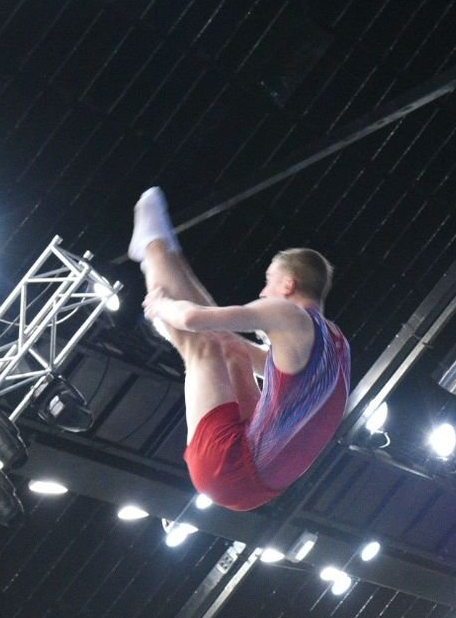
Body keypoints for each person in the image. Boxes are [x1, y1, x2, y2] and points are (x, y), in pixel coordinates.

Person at [127, 187, 350, 511]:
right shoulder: (337, 343)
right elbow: (256, 360)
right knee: (228, 346)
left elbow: (191, 317)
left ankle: (153, 248)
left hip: (230, 470)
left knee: (203, 348)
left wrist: (162, 306)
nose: (263, 291)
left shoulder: (289, 314)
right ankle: (167, 252)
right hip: (264, 484)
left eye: (269, 281)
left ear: (288, 285)